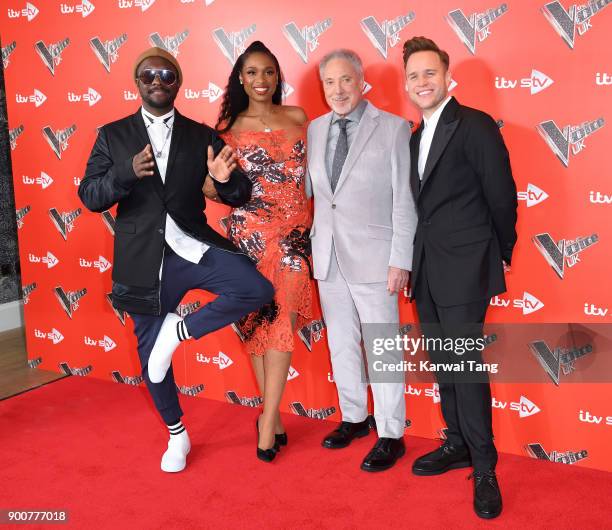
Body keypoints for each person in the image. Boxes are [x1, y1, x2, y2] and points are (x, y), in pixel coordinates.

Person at [78, 47, 274, 473]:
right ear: (137, 81)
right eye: (148, 74)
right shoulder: (113, 135)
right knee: (152, 357)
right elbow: (90, 196)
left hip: (192, 246)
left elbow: (241, 193)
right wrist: (125, 173)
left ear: (178, 82)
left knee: (256, 288)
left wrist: (224, 181)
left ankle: (179, 329)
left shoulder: (200, 134)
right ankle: (176, 435)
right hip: (142, 259)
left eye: (167, 74)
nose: (157, 81)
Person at [402, 36, 518, 519]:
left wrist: (500, 254)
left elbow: (501, 193)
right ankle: (458, 444)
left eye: (429, 72)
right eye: (413, 75)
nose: (421, 82)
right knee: (445, 363)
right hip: (428, 266)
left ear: (447, 77)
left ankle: (486, 466)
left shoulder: (473, 124)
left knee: (466, 368)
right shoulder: (415, 135)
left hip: (466, 266)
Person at [307, 49, 416, 471]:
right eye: (329, 83)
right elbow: (319, 197)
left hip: (376, 256)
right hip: (328, 254)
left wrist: (400, 259)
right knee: (341, 344)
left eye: (345, 80)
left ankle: (391, 433)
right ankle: (354, 417)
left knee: (383, 348)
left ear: (361, 80)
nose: (338, 90)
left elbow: (404, 201)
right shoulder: (315, 129)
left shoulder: (392, 129)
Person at [208, 41, 311, 463]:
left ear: (278, 76)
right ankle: (276, 417)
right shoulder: (227, 129)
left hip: (294, 236)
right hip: (248, 234)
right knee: (257, 323)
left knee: (283, 318)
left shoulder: (299, 118)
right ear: (240, 78)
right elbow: (212, 189)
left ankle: (266, 423)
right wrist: (213, 178)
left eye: (268, 71)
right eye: (252, 72)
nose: (261, 80)